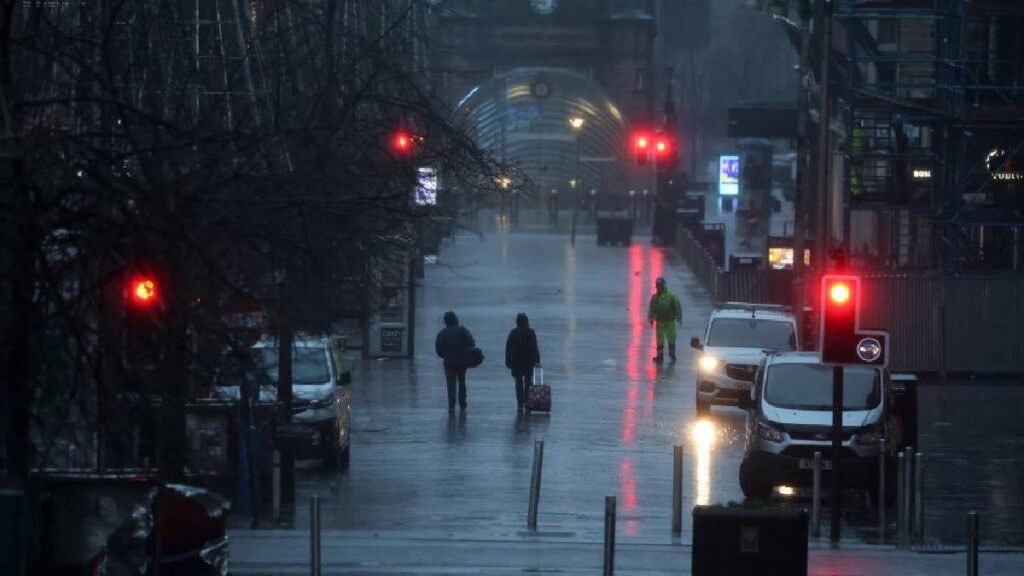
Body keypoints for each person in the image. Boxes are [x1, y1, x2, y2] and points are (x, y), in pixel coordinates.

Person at [435, 310, 475, 413]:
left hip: (448, 362)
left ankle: (451, 405)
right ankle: (462, 404)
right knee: (462, 382)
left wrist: (445, 355)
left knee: (450, 384)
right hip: (462, 361)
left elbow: (438, 349)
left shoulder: (442, 333)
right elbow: (471, 343)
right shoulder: (462, 331)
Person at [505, 312, 540, 413]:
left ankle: (520, 404)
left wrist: (507, 361)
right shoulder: (530, 332)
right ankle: (528, 403)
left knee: (518, 382)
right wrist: (537, 360)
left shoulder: (513, 332)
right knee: (528, 382)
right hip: (529, 361)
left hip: (516, 361)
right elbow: (534, 347)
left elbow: (508, 348)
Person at [647, 277, 682, 363]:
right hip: (660, 323)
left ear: (663, 285)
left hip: (670, 322)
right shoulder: (655, 298)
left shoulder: (671, 296)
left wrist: (679, 315)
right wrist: (651, 318)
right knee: (659, 341)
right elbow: (651, 308)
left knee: (671, 339)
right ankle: (660, 356)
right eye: (657, 285)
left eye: (660, 285)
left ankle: (672, 354)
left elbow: (677, 305)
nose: (658, 287)